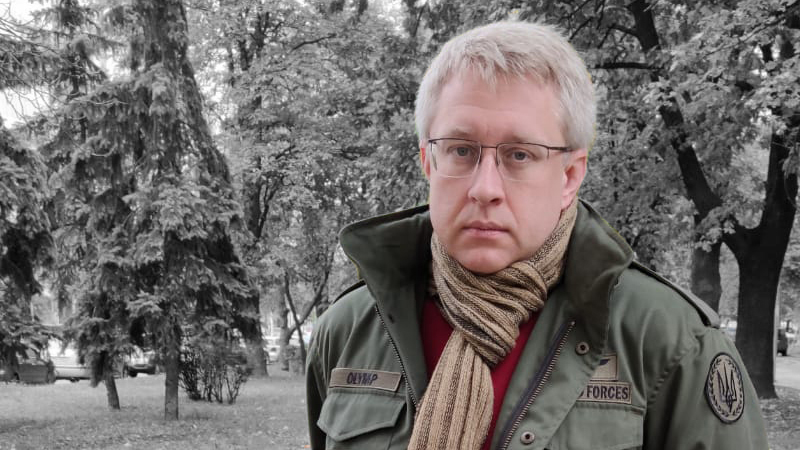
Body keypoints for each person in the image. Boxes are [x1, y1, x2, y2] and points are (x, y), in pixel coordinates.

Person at [306, 21, 768, 450]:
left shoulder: (669, 341)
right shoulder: (347, 332)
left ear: (569, 175)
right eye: (461, 150)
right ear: (428, 162)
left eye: (520, 155)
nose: (485, 188)